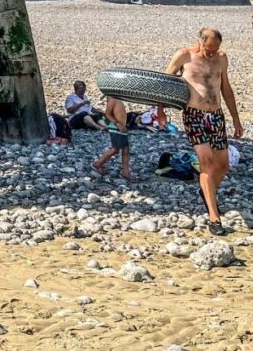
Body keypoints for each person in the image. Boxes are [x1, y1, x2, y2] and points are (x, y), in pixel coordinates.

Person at [156, 28, 243, 236]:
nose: (211, 53)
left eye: (215, 49)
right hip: (194, 115)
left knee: (222, 164)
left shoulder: (221, 59)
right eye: (208, 49)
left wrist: (236, 119)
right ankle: (214, 217)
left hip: (216, 116)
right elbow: (163, 85)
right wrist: (160, 111)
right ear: (200, 42)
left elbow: (226, 89)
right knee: (206, 162)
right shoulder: (184, 56)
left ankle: (206, 190)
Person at [91, 96, 136, 181]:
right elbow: (107, 114)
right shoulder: (112, 97)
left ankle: (126, 172)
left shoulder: (116, 98)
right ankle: (97, 164)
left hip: (120, 127)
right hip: (116, 127)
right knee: (115, 149)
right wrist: (117, 123)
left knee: (125, 149)